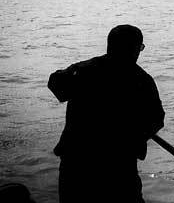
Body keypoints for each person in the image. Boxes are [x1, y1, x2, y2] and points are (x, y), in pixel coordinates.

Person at [48, 25, 165, 203]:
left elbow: (56, 84)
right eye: (140, 48)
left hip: (76, 165)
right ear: (134, 49)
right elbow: (156, 119)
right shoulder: (142, 80)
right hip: (119, 167)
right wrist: (133, 140)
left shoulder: (83, 70)